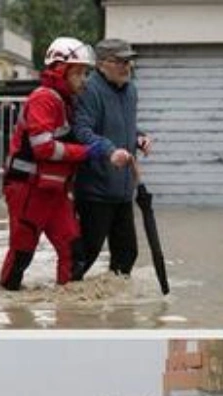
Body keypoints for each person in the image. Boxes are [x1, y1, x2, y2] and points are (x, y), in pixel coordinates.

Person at [0, 37, 133, 291]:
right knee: (22, 253)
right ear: (61, 71)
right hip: (28, 189)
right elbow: (43, 147)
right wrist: (87, 152)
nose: (84, 79)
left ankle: (68, 312)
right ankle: (9, 308)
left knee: (74, 252)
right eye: (79, 73)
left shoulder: (66, 100)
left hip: (54, 192)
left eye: (85, 72)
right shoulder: (43, 99)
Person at [72, 39, 154, 280]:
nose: (126, 66)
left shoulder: (131, 90)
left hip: (122, 189)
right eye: (119, 61)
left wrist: (139, 138)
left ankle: (115, 309)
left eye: (128, 61)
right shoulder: (90, 90)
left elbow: (124, 127)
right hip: (95, 190)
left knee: (127, 254)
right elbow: (82, 131)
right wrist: (109, 151)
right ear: (100, 64)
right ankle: (66, 305)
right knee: (86, 256)